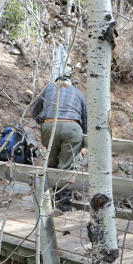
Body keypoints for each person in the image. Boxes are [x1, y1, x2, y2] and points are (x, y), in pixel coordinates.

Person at [31, 72, 87, 212]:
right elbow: (86, 119)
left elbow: (34, 110)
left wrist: (43, 121)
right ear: (71, 83)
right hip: (72, 127)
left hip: (50, 125)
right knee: (66, 166)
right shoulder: (78, 93)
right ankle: (64, 204)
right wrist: (85, 144)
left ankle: (48, 200)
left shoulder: (49, 88)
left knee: (51, 162)